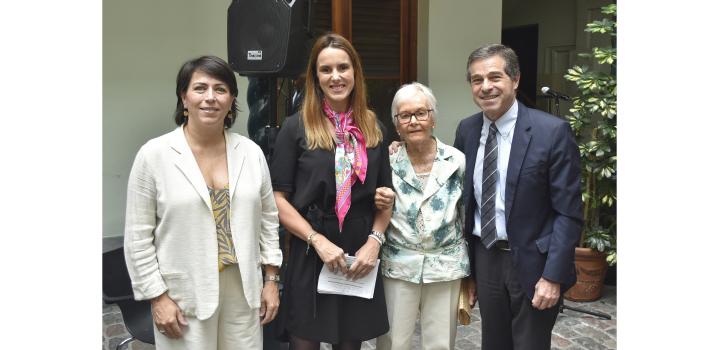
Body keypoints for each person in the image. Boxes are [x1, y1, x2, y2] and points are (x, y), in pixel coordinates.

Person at [123, 55, 283, 350]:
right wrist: (157, 297)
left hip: (243, 289)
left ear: (232, 99)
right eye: (200, 88)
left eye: (220, 89)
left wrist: (271, 280)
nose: (210, 97)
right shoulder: (154, 155)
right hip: (184, 292)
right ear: (184, 97)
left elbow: (268, 220)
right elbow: (137, 237)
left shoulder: (250, 152)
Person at [454, 44, 583, 349]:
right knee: (493, 344)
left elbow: (569, 213)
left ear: (515, 79)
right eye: (476, 79)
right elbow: (460, 198)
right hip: (485, 258)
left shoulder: (552, 132)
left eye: (495, 77)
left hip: (533, 263)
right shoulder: (467, 130)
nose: (486, 87)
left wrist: (553, 276)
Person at [270, 33, 393, 350]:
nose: (336, 76)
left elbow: (385, 198)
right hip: (311, 248)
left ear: (355, 72)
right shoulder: (295, 128)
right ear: (316, 77)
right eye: (326, 69)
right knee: (305, 341)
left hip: (358, 252)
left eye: (343, 67)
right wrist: (317, 240)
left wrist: (374, 242)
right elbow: (277, 199)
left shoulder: (373, 127)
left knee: (349, 344)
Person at [373, 82, 471, 350]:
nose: (413, 121)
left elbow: (467, 215)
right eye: (405, 116)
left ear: (433, 118)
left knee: (440, 342)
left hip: (445, 265)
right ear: (396, 124)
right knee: (393, 341)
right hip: (398, 263)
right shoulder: (385, 161)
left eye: (421, 113)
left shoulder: (457, 161)